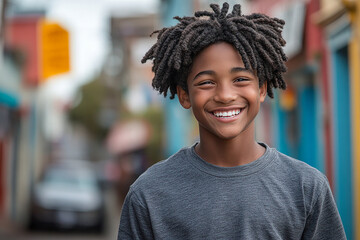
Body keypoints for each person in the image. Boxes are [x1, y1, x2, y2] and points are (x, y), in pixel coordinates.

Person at [117, 2, 346, 239]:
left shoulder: (306, 188)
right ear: (184, 95)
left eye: (240, 79)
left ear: (261, 89)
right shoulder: (149, 194)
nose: (225, 95)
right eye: (206, 82)